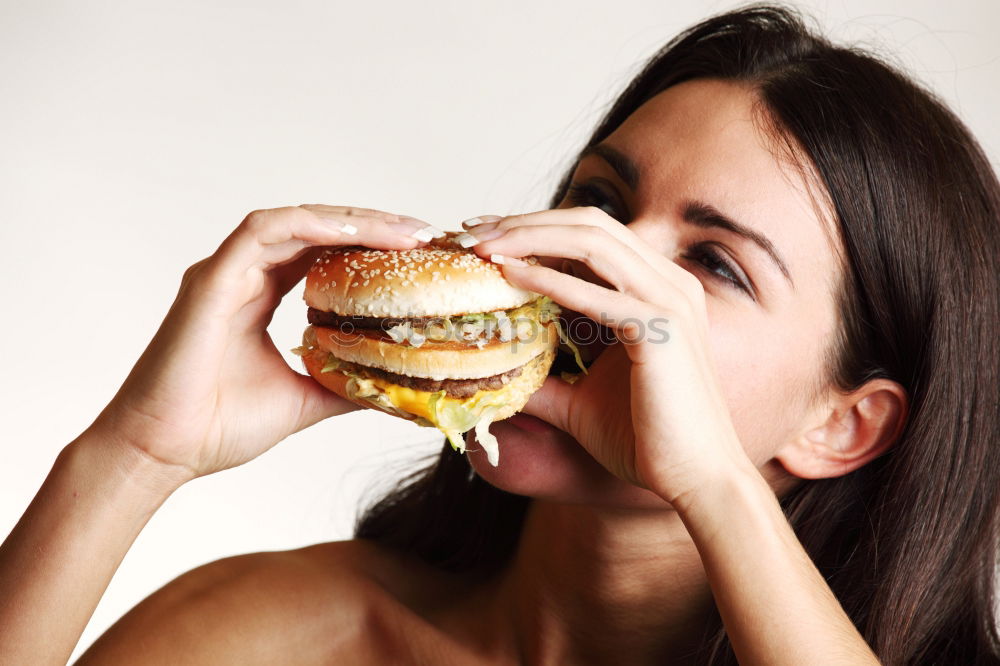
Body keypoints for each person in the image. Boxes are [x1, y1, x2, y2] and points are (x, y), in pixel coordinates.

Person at [2, 4, 998, 664]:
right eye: (600, 201)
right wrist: (131, 456)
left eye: (712, 264)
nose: (596, 267)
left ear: (844, 427)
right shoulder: (281, 632)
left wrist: (714, 490)